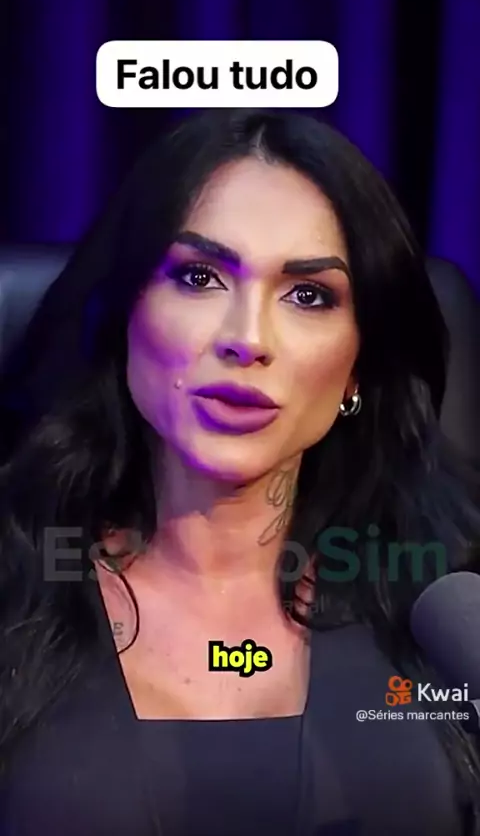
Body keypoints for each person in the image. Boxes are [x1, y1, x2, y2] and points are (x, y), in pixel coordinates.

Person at [0, 108, 479, 836]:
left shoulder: (447, 605)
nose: (247, 339)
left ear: (359, 365)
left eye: (309, 295)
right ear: (125, 314)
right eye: (199, 277)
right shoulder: (17, 581)